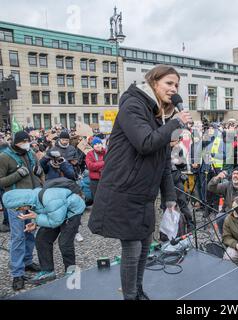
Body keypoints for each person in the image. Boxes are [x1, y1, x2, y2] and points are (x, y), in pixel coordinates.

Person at [88, 65, 192, 300]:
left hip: (144, 195)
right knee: (133, 249)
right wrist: (174, 123)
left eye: (176, 85)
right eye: (169, 83)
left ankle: (138, 291)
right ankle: (131, 296)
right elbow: (145, 142)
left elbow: (164, 159)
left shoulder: (158, 114)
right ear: (154, 82)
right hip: (125, 192)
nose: (174, 89)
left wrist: (170, 198)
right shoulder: (133, 105)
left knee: (145, 247)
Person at [2, 187, 86, 285]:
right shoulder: (32, 200)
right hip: (58, 213)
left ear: (23, 203)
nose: (19, 210)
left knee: (64, 242)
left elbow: (56, 221)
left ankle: (71, 270)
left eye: (18, 208)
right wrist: (35, 223)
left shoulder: (49, 199)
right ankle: (47, 271)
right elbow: (48, 214)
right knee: (42, 239)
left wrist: (36, 218)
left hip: (72, 213)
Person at [0, 131, 44, 290]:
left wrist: (40, 175)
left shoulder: (31, 153)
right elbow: (1, 182)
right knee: (18, 236)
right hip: (16, 202)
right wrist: (17, 175)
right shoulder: (5, 157)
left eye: (28, 140)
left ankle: (27, 262)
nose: (27, 143)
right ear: (16, 142)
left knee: (30, 233)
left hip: (31, 200)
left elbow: (39, 172)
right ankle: (17, 273)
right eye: (24, 141)